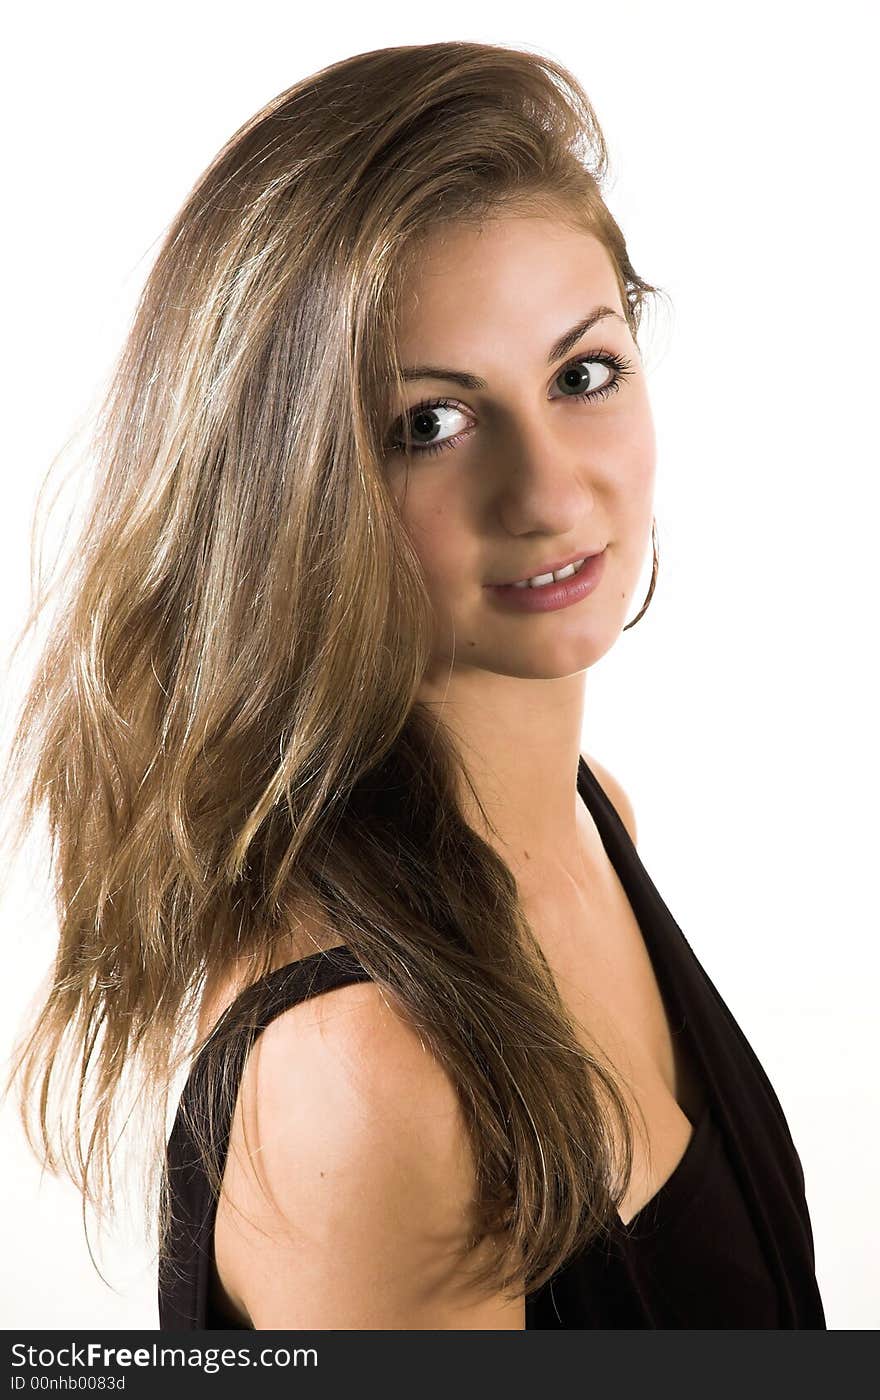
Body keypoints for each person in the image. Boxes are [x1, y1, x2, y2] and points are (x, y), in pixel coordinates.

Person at [2, 40, 825, 1330]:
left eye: (583, 373)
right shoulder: (369, 1070)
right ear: (290, 487)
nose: (552, 493)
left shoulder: (592, 818)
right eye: (427, 424)